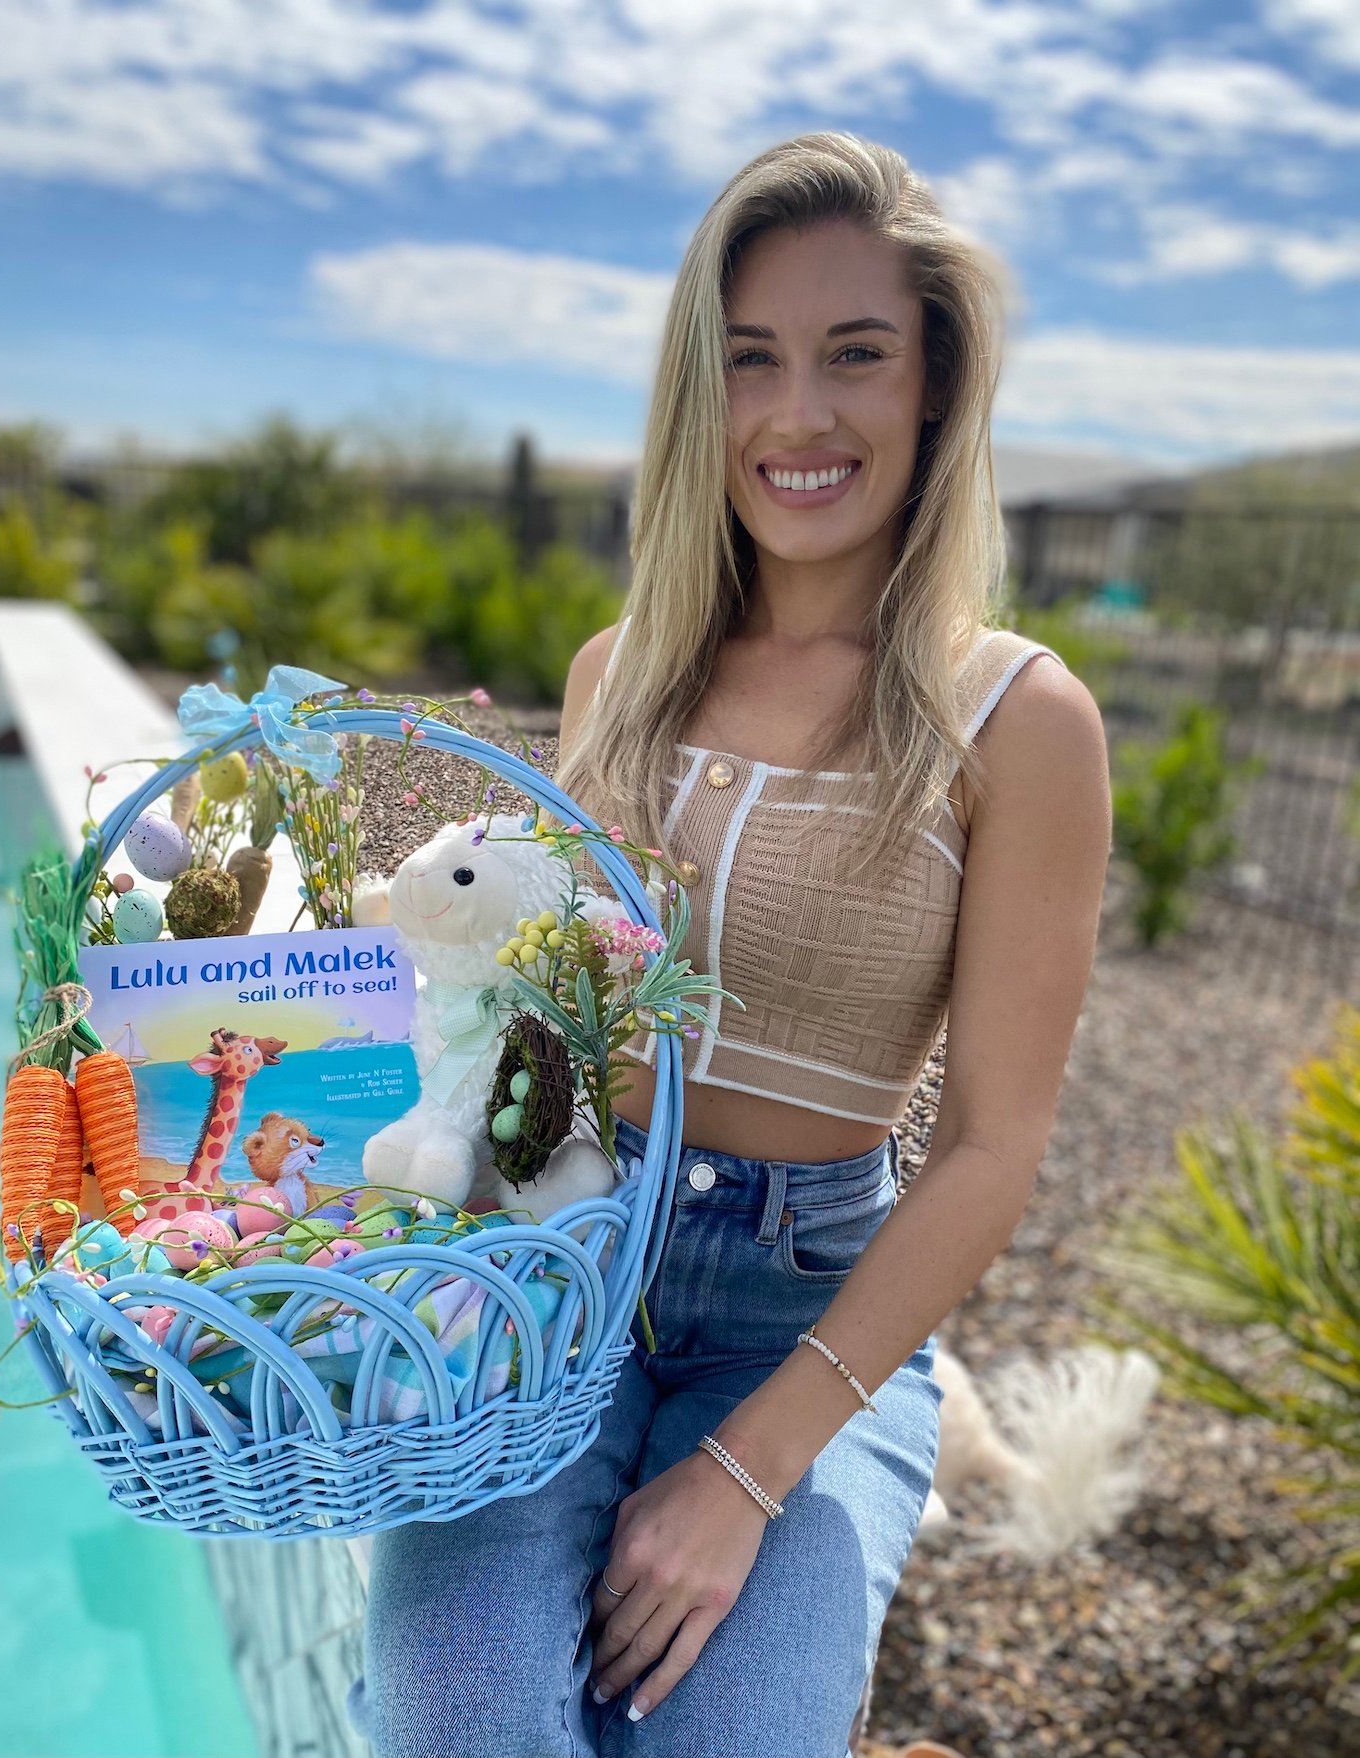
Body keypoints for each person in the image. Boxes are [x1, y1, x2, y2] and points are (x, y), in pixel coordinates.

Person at [347, 129, 1111, 1758]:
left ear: (933, 390)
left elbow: (991, 1147)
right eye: (751, 358)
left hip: (806, 1303)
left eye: (856, 355)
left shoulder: (1020, 720)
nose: (798, 413)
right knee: (455, 1727)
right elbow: (524, 999)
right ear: (703, 392)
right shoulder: (617, 668)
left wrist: (750, 1468)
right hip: (564, 1258)